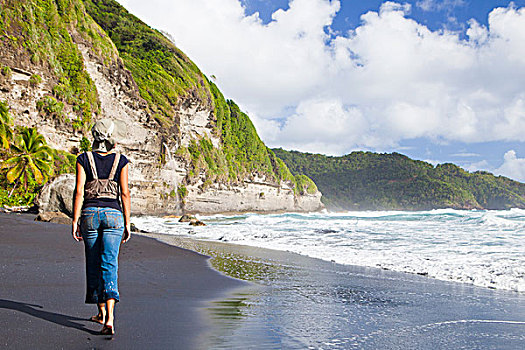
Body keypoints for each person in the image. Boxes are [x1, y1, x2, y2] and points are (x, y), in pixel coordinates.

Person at [71, 119, 131, 336]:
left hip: (90, 214)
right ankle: (110, 319)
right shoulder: (121, 160)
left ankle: (101, 312)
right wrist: (127, 222)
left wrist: (75, 219)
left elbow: (79, 191)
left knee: (94, 262)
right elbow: (124, 193)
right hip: (114, 215)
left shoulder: (83, 158)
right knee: (109, 263)